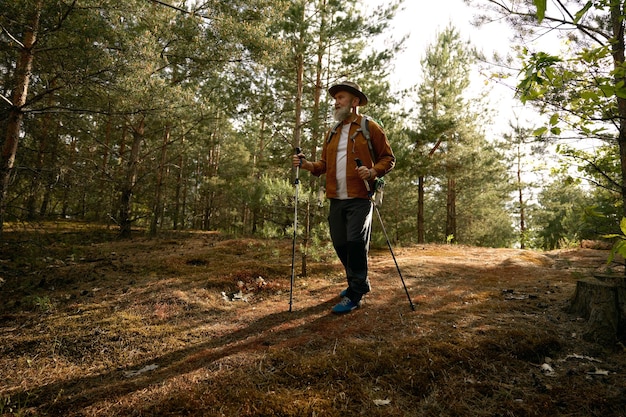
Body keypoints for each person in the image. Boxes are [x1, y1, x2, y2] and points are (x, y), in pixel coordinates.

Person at [292, 81, 395, 314]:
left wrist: (372, 172)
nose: (336, 102)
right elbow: (324, 166)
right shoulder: (332, 132)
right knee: (340, 243)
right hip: (335, 197)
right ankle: (358, 282)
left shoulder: (370, 127)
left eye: (341, 98)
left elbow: (388, 158)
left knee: (355, 242)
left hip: (360, 196)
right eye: (335, 98)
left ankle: (355, 293)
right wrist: (306, 164)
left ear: (354, 102)